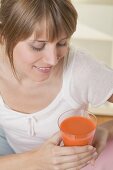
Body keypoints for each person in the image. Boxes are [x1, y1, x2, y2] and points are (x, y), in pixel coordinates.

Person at [0, 0, 113, 169]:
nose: (53, 60)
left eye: (62, 43)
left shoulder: (82, 70)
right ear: (3, 37)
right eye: (38, 46)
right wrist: (35, 160)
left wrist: (107, 128)